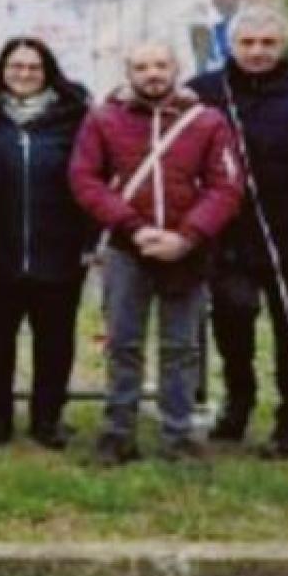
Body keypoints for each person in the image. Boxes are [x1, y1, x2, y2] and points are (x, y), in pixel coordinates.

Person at [187, 6, 288, 458]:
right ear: (232, 45)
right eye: (248, 43)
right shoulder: (203, 93)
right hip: (228, 235)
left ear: (284, 44)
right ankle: (237, 405)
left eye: (268, 43)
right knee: (232, 322)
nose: (257, 52)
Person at [69, 42, 243, 465]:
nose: (152, 73)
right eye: (142, 66)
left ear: (175, 68)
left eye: (160, 65)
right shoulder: (103, 119)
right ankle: (117, 432)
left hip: (186, 249)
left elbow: (226, 185)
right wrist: (133, 226)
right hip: (128, 247)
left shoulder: (208, 121)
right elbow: (85, 178)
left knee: (182, 347)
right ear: (129, 71)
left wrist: (187, 235)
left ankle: (179, 434)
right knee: (123, 342)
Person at [0, 37, 91, 451]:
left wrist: (89, 239)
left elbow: (93, 180)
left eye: (33, 68)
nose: (24, 75)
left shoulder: (74, 118)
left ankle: (48, 418)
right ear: (2, 71)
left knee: (55, 341)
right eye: (15, 66)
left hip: (58, 251)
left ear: (48, 72)